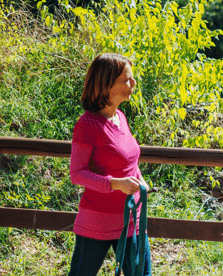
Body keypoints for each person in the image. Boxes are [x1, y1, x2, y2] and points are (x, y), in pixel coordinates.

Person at [68, 53, 151, 276]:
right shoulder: (87, 124)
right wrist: (115, 184)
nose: (133, 84)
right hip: (97, 223)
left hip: (132, 218)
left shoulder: (120, 117)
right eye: (126, 80)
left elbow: (128, 160)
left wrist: (140, 179)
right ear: (106, 84)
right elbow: (77, 174)